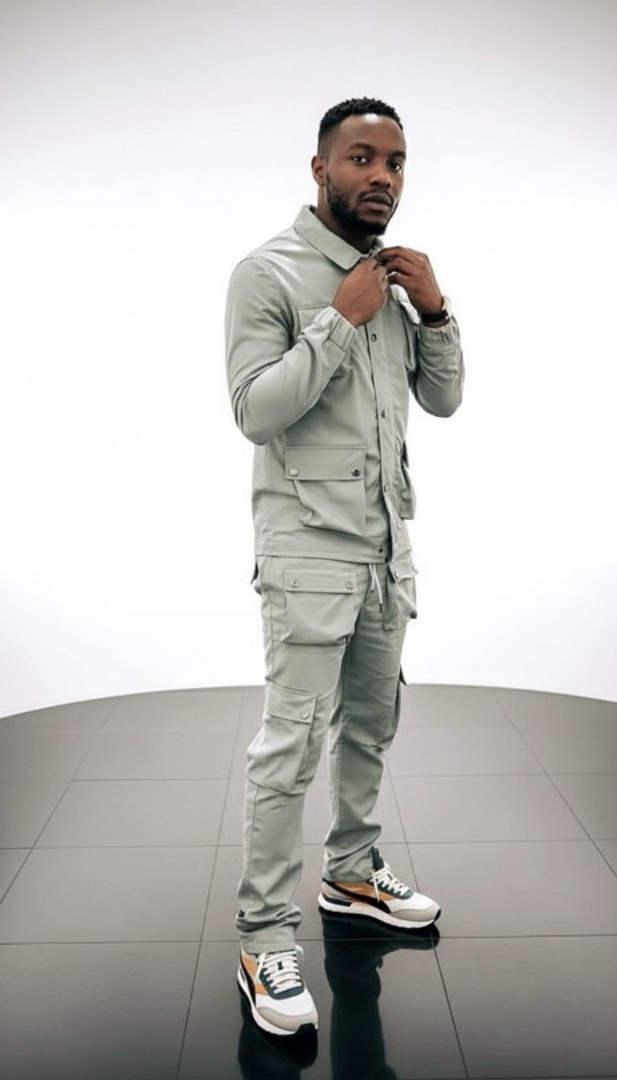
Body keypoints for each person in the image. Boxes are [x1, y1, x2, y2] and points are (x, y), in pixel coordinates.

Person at [225, 96, 464, 1038]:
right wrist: (335, 321)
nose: (381, 177)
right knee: (289, 749)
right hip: (307, 555)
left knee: (371, 724)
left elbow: (443, 401)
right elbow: (255, 411)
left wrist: (433, 310)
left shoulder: (395, 283)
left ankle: (352, 873)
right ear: (319, 167)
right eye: (361, 158)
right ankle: (262, 939)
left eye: (394, 162)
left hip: (384, 550)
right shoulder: (267, 274)